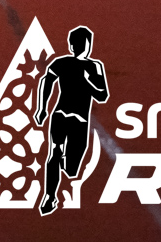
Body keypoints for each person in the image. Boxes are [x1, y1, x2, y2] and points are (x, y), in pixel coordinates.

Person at [32, 26, 109, 217]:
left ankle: (63, 166)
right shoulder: (65, 63)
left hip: (74, 118)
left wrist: (87, 83)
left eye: (83, 43)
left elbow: (102, 95)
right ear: (74, 45)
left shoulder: (93, 66)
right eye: (80, 43)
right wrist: (42, 108)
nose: (82, 46)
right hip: (65, 115)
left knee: (71, 167)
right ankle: (50, 196)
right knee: (55, 153)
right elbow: (47, 82)